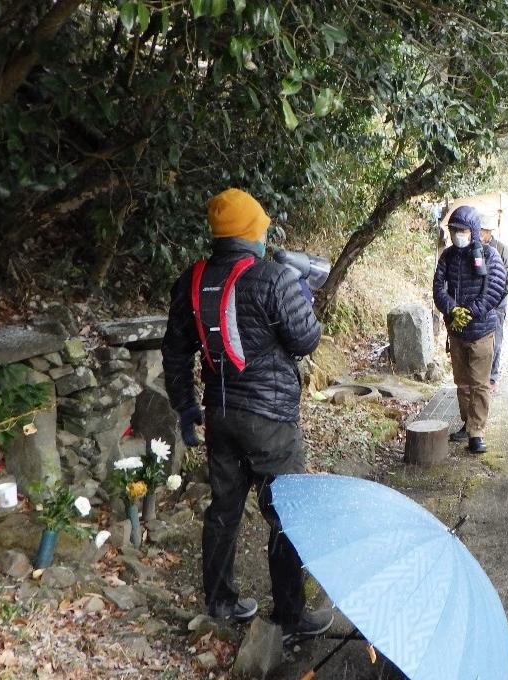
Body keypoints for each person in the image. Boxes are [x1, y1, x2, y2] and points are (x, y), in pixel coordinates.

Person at [161, 188, 333, 643]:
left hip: (220, 416)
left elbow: (175, 351)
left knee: (224, 509)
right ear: (253, 232)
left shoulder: (192, 279)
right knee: (287, 512)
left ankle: (221, 601)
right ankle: (292, 617)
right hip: (271, 421)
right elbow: (304, 340)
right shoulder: (274, 277)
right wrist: (303, 294)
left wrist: (185, 408)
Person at [433, 205, 508, 454]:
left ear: (473, 231)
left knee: (480, 384)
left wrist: (472, 312)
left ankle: (477, 432)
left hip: (482, 331)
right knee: (462, 383)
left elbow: (496, 288)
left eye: (462, 230)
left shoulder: (489, 255)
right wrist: (452, 310)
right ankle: (468, 423)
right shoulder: (447, 256)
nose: (457, 234)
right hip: (456, 331)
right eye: (454, 230)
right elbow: (438, 288)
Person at [480, 220, 508, 391]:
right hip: (480, 302)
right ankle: (481, 376)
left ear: (489, 231)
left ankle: (493, 377)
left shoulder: (502, 249)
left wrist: (499, 273)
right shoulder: (474, 248)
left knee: (495, 340)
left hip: (498, 302)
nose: (480, 234)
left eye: (483, 230)